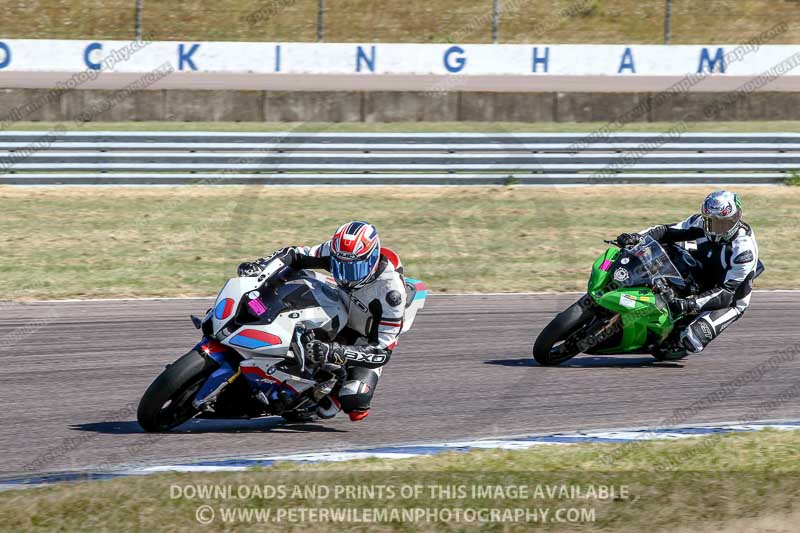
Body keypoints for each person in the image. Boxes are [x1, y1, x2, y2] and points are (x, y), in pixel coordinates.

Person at [237, 221, 407, 421]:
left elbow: (382, 353)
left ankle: (330, 387)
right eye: (340, 266)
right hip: (340, 306)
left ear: (372, 259)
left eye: (354, 269)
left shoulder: (391, 292)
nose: (345, 275)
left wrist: (334, 352)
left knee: (354, 402)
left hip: (365, 337)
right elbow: (294, 255)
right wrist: (260, 266)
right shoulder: (334, 251)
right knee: (294, 285)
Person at [615, 190, 761, 355]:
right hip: (703, 266)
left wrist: (691, 304)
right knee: (667, 249)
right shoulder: (700, 223)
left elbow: (727, 292)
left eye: (723, 224)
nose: (715, 229)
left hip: (729, 300)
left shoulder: (743, 251)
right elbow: (665, 231)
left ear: (736, 219)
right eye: (710, 222)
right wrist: (636, 238)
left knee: (691, 339)